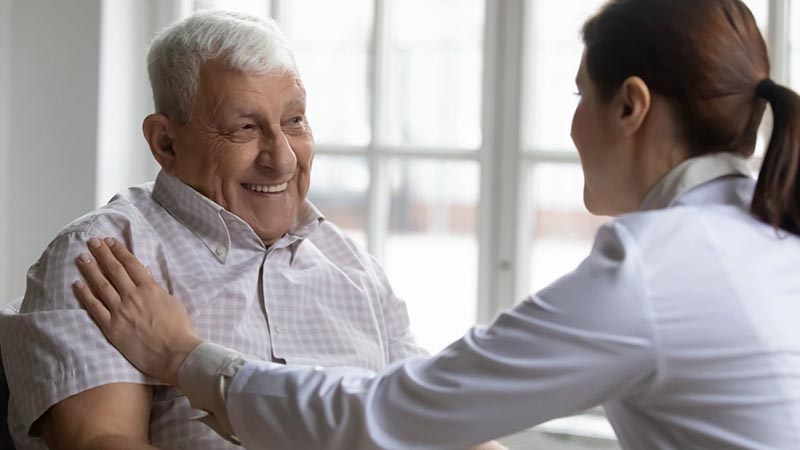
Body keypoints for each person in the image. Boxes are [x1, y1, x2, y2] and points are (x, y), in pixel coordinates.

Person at [71, 0, 800, 449]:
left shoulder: (651, 269)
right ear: (165, 140)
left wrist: (184, 356)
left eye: (580, 95)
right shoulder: (769, 236)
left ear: (631, 107)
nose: (571, 126)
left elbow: (396, 413)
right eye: (245, 126)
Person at [0, 10, 502, 450]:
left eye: (296, 120)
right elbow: (102, 443)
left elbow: (436, 426)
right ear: (165, 142)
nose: (282, 157)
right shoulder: (105, 259)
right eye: (245, 127)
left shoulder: (354, 269)